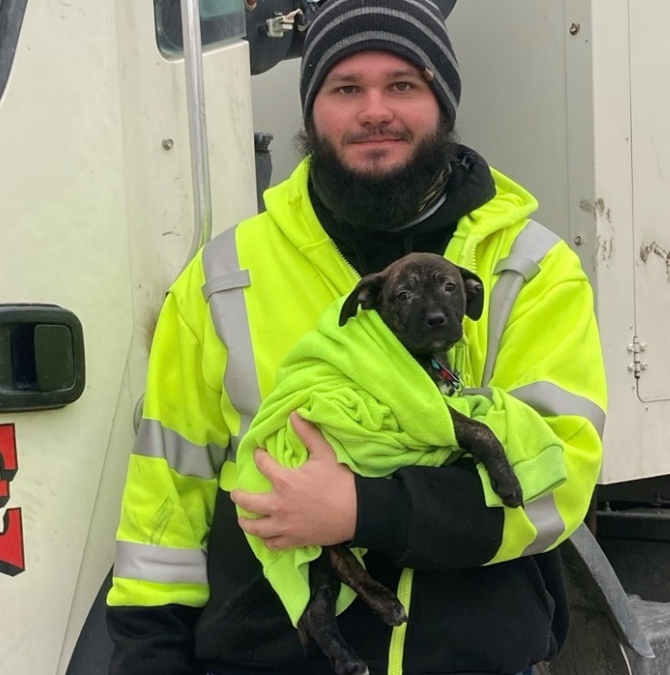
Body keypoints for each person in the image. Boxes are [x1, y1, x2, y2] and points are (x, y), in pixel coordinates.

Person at [105, 0, 606, 673]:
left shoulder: (530, 269)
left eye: (402, 84)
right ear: (312, 110)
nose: (374, 110)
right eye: (346, 88)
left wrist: (362, 509)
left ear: (442, 102)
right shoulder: (225, 276)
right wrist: (149, 656)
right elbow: (165, 499)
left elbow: (558, 480)